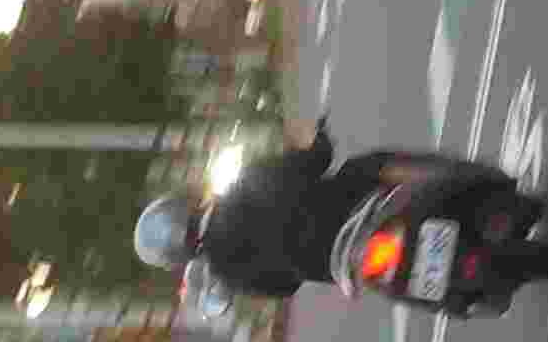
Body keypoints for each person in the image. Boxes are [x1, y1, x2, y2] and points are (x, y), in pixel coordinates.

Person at [139, 128, 401, 300]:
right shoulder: (241, 185)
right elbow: (317, 160)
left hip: (343, 263)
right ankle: (430, 178)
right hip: (351, 207)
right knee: (373, 165)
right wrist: (320, 137)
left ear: (177, 257)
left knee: (384, 277)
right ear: (180, 207)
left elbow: (286, 288)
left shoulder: (226, 275)